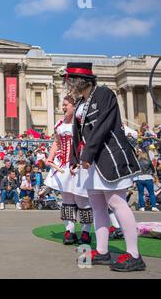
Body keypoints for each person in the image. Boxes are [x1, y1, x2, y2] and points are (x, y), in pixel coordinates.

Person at [66, 62, 145, 272]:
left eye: (69, 81)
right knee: (97, 205)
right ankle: (102, 251)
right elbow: (77, 134)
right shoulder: (81, 102)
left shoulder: (104, 94)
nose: (67, 85)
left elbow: (103, 125)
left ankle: (134, 255)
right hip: (91, 162)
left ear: (78, 81)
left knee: (117, 203)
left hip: (108, 156)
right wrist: (74, 159)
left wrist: (87, 153)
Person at [45, 95, 92, 245]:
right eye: (63, 105)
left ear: (74, 106)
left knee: (82, 199)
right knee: (67, 200)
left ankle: (86, 232)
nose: (63, 107)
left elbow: (87, 143)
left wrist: (81, 161)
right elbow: (57, 143)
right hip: (64, 165)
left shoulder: (81, 123)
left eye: (66, 105)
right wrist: (50, 157)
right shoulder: (59, 124)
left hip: (79, 165)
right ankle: (70, 231)